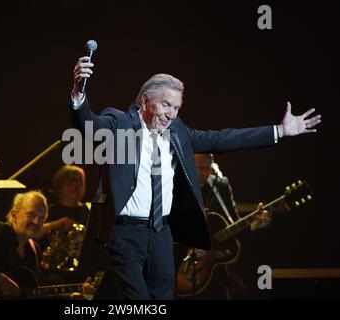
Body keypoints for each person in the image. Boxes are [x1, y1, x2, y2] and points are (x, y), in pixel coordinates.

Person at [69, 55, 321, 300]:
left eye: (176, 108)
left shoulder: (176, 130)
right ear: (145, 101)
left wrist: (280, 131)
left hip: (161, 234)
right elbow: (88, 124)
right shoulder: (120, 122)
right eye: (166, 105)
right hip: (123, 234)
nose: (171, 114)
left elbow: (222, 139)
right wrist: (79, 94)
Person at [191, 153, 271, 299]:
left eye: (207, 168)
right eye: (199, 168)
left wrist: (254, 225)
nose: (204, 172)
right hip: (183, 262)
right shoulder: (176, 185)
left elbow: (233, 223)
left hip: (214, 267)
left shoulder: (220, 185)